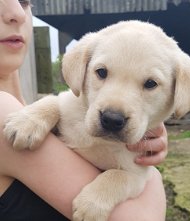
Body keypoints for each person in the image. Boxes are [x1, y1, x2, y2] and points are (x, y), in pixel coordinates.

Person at [0, 0, 168, 220]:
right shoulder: (4, 110)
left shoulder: (29, 109)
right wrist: (150, 174)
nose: (16, 12)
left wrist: (148, 129)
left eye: (23, 1)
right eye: (102, 72)